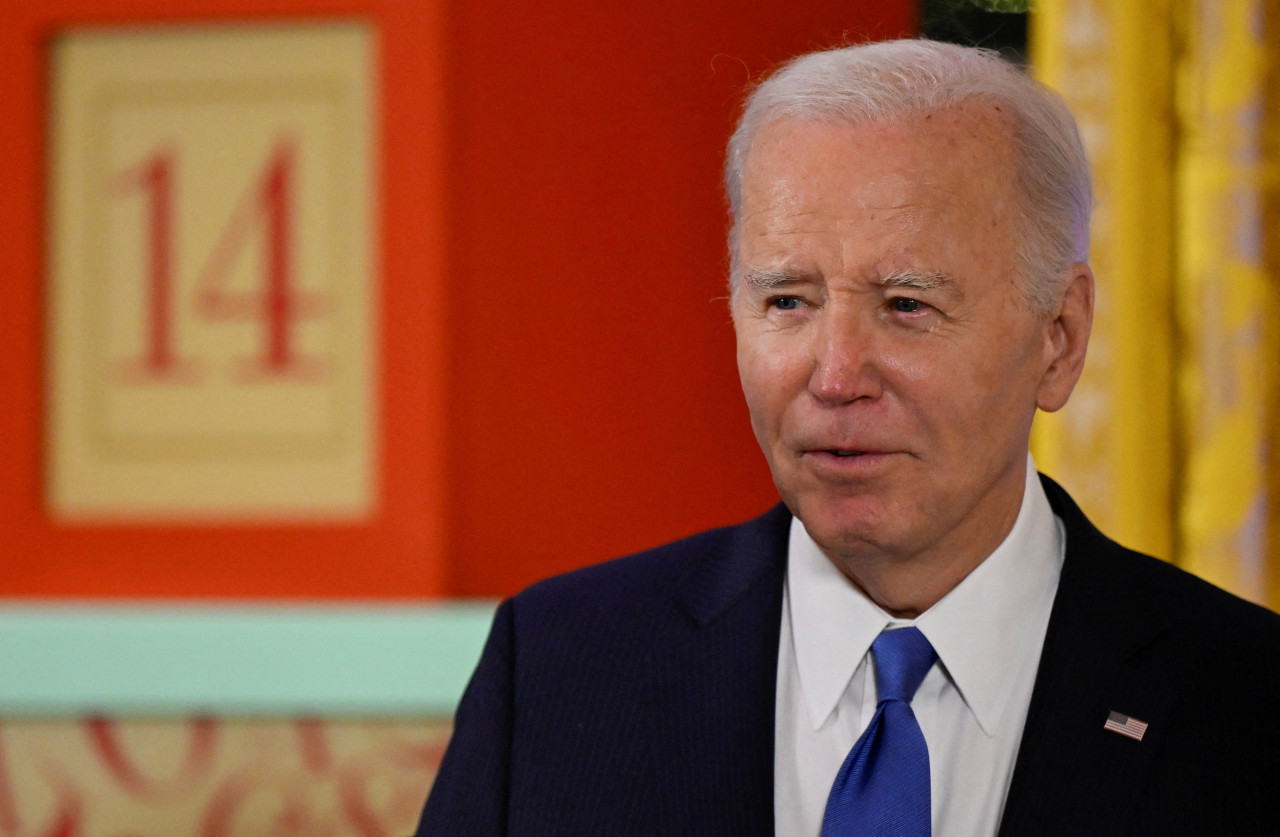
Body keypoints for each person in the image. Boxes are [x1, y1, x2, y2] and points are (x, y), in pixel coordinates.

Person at [416, 39, 1280, 836]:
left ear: (1059, 337)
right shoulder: (561, 672)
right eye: (788, 300)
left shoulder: (1245, 705)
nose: (834, 376)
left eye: (907, 305)